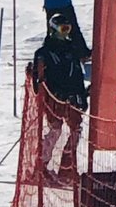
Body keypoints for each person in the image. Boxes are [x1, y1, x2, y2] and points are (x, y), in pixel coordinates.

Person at [30, 17, 88, 185]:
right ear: (53, 30)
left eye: (68, 29)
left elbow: (77, 75)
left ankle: (66, 168)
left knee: (76, 130)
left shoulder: (71, 50)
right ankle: (41, 167)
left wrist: (82, 96)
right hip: (54, 98)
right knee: (56, 130)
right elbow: (37, 82)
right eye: (63, 29)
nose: (66, 33)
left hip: (71, 98)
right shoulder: (44, 53)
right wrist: (50, 95)